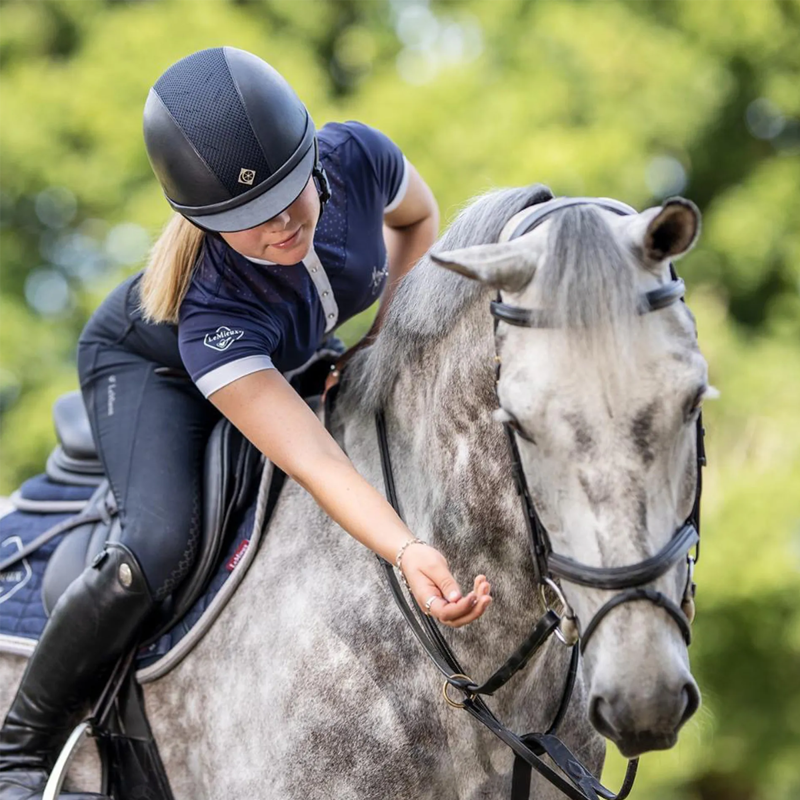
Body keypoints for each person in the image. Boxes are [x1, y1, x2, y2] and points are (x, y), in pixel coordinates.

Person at [0, 46, 493, 796]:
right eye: (249, 220)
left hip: (281, 348)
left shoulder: (360, 156)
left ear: (311, 155)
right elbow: (316, 459)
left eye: (290, 194)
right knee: (160, 541)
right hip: (151, 370)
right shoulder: (211, 313)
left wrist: (380, 341)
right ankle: (19, 748)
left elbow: (419, 219)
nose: (282, 225)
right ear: (202, 221)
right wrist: (406, 549)